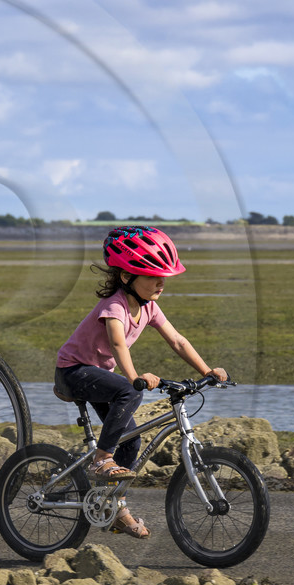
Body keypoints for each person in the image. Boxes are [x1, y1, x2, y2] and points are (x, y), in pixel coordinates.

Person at [55, 225, 228, 538]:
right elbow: (118, 344)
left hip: (99, 376)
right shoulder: (114, 307)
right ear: (126, 277)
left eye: (163, 277)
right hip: (73, 371)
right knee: (126, 391)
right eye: (152, 276)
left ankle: (115, 506)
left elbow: (177, 340)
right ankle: (101, 460)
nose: (160, 283)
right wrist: (134, 378)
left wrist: (207, 371)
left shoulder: (149, 306)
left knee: (132, 438)